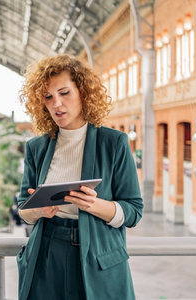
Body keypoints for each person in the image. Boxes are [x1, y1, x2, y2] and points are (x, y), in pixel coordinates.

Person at [16, 54, 143, 300]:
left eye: (64, 93)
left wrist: (94, 205)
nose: (56, 104)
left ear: (83, 93)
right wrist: (39, 209)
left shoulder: (114, 143)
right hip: (47, 253)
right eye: (48, 97)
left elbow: (133, 211)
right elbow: (23, 208)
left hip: (97, 255)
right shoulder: (36, 147)